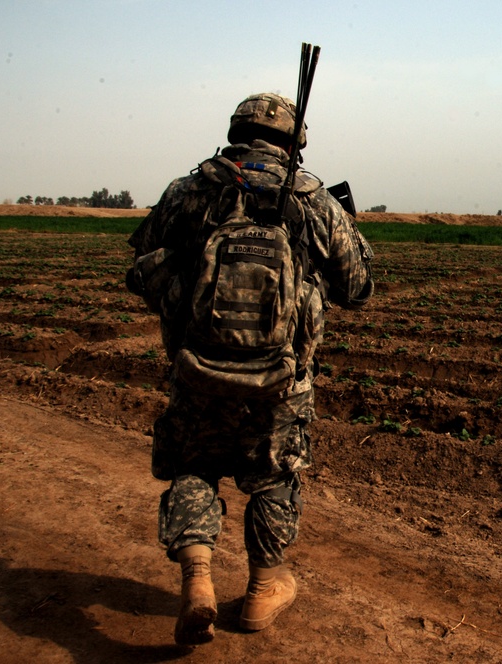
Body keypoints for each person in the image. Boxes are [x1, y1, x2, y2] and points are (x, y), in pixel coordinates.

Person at [126, 92, 374, 646]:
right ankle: (263, 588)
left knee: (194, 468)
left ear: (237, 131)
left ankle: (198, 580)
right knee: (273, 477)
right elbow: (357, 289)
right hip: (280, 381)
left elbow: (141, 271)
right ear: (295, 142)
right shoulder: (312, 200)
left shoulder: (190, 190)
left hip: (196, 369)